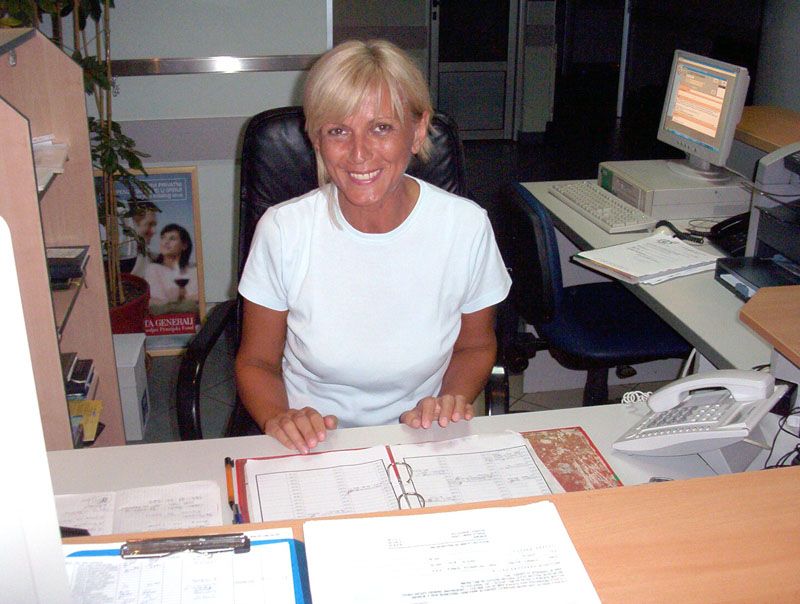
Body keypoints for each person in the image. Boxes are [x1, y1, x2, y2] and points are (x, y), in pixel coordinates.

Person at [236, 39, 511, 454]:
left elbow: (476, 345)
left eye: (381, 127)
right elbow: (256, 362)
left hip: (422, 435)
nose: (359, 153)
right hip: (311, 442)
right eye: (338, 131)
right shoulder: (283, 230)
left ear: (417, 131)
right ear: (316, 139)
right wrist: (281, 416)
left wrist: (449, 400)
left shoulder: (465, 227)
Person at [144, 223, 199, 315]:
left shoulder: (194, 271)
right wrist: (187, 299)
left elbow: (200, 298)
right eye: (163, 238)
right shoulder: (153, 269)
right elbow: (157, 303)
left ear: (184, 245)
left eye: (172, 239)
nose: (166, 242)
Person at [127, 201, 159, 278]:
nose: (154, 231)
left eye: (154, 225)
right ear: (132, 224)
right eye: (149, 224)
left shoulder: (154, 259)